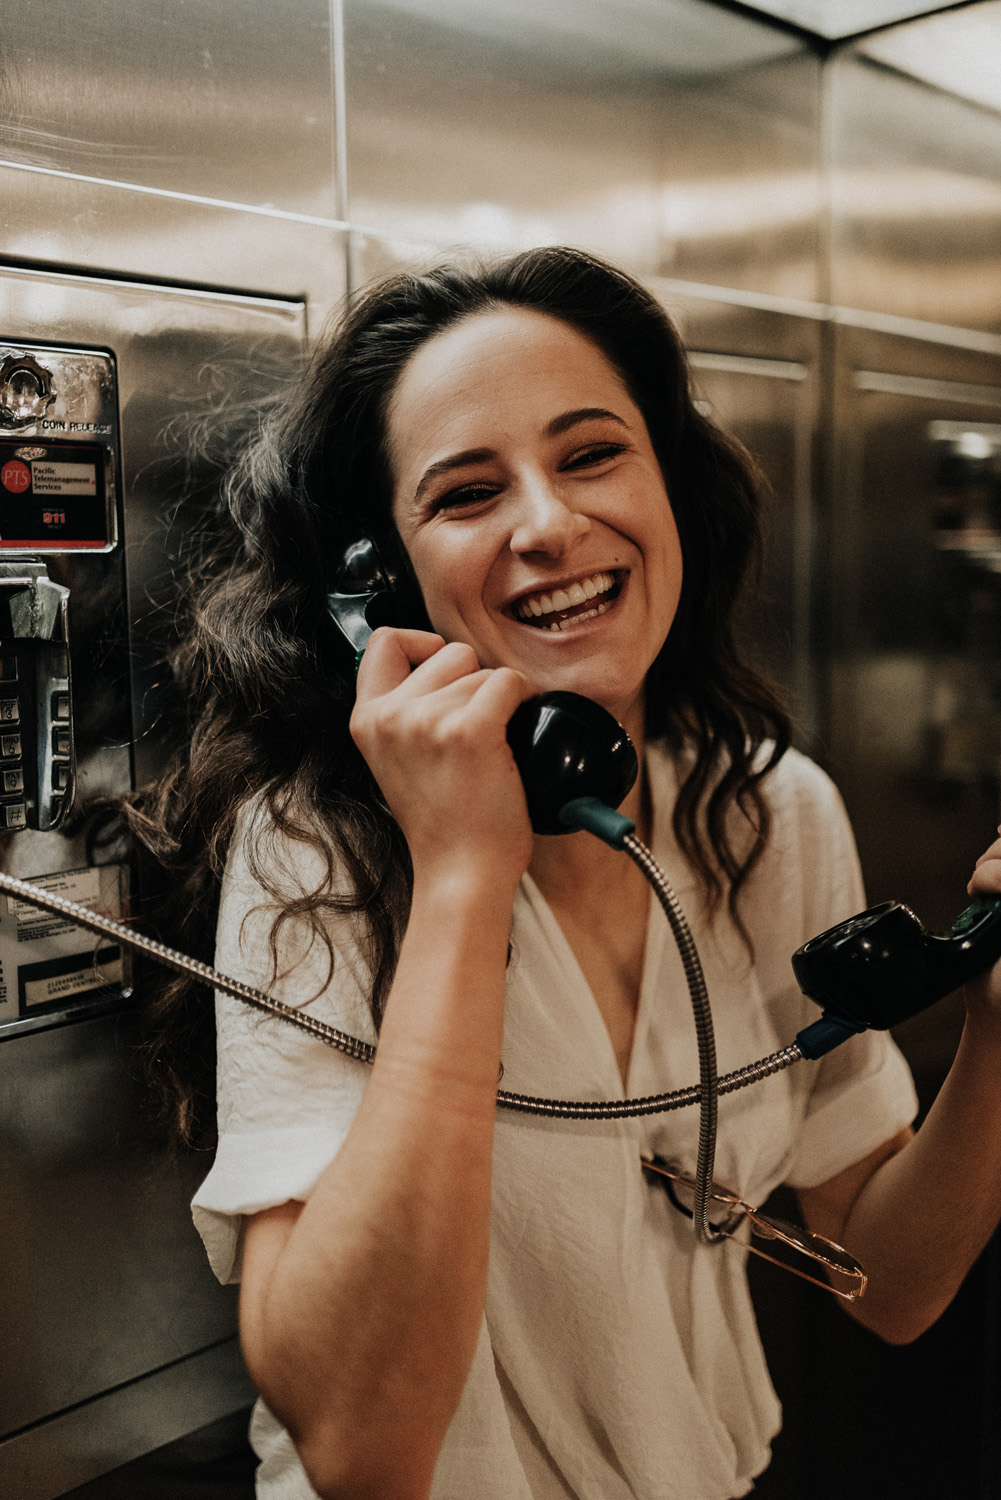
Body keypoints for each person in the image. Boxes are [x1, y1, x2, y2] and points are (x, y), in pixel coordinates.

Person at [141, 246, 1001, 1500]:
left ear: (669, 490)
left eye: (592, 454)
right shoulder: (317, 845)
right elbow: (359, 1448)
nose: (549, 526)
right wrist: (458, 873)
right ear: (378, 583)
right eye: (466, 492)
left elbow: (890, 1281)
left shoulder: (762, 811)